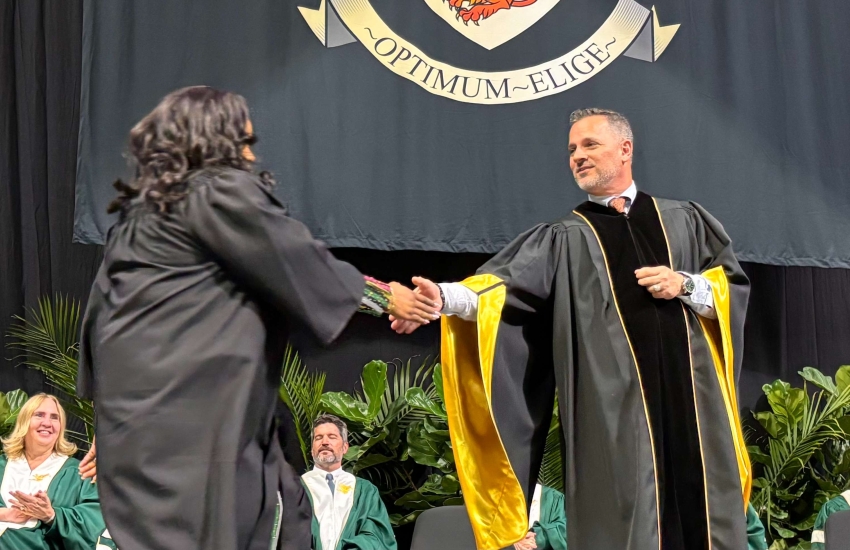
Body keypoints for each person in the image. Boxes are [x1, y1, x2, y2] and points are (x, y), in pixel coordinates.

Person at [76, 86, 438, 550]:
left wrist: (110, 429)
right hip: (205, 435)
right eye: (244, 141)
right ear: (215, 143)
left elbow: (101, 331)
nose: (250, 154)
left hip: (137, 442)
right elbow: (295, 259)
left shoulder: (134, 222)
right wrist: (391, 299)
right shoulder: (219, 191)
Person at [392, 108, 754, 549]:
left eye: (589, 145)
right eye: (571, 150)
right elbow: (501, 290)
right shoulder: (564, 238)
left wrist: (687, 284)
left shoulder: (684, 219)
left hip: (696, 407)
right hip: (614, 420)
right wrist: (444, 299)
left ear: (625, 150)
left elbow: (731, 287)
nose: (577, 157)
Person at [0, 393, 106, 549]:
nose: (47, 423)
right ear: (24, 421)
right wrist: (6, 514)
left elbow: (94, 523)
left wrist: (51, 515)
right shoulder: (2, 466)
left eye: (55, 417)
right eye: (39, 415)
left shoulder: (80, 473)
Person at [301, 415, 396, 550]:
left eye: (332, 437)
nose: (325, 442)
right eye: (318, 438)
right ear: (312, 450)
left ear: (345, 447)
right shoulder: (295, 488)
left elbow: (377, 537)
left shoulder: (365, 491)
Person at [514, 483, 567, 550]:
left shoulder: (555, 499)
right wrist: (512, 541)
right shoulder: (500, 502)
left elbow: (566, 529)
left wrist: (537, 537)